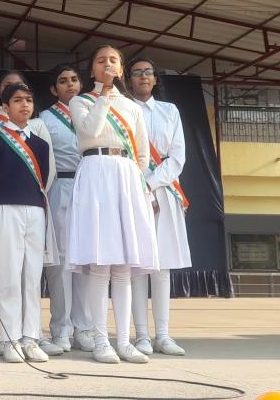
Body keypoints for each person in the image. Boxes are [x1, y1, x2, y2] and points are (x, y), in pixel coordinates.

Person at [66, 45, 157, 364]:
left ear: (121, 68)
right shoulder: (80, 101)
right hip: (95, 173)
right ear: (92, 69)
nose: (107, 64)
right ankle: (101, 340)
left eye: (113, 60)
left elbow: (142, 153)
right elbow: (89, 130)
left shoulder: (132, 106)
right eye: (100, 60)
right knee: (100, 264)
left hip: (125, 178)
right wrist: (104, 94)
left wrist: (138, 184)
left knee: (122, 267)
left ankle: (124, 341)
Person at [0, 71, 61, 358]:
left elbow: (45, 177)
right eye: (18, 100)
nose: (25, 105)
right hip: (5, 208)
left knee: (32, 275)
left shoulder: (40, 143)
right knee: (10, 274)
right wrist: (0, 204)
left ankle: (30, 337)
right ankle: (10, 338)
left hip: (34, 209)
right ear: (5, 106)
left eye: (29, 100)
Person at [127, 57, 190, 357]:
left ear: (155, 79)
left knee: (162, 266)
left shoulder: (169, 111)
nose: (143, 77)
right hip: (130, 190)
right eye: (137, 72)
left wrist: (150, 185)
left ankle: (163, 335)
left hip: (163, 190)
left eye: (148, 72)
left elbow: (177, 157)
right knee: (138, 267)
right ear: (129, 79)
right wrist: (139, 186)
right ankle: (141, 336)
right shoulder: (123, 110)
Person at [38, 64, 94, 353]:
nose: (70, 85)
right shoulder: (45, 118)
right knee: (60, 263)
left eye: (74, 80)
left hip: (90, 188)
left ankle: (84, 328)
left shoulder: (92, 112)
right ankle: (61, 328)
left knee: (86, 261)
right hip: (60, 185)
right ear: (53, 89)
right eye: (63, 81)